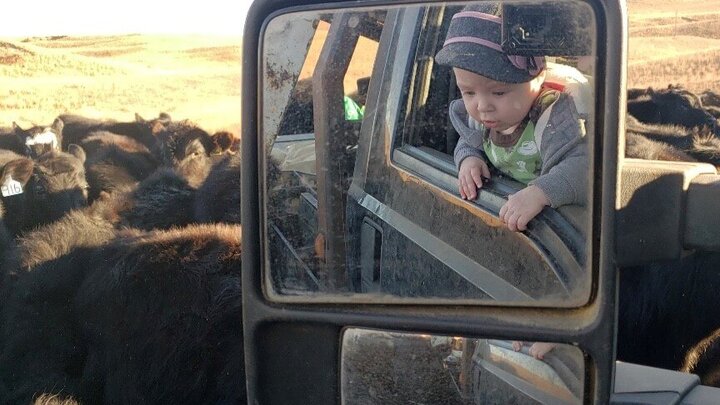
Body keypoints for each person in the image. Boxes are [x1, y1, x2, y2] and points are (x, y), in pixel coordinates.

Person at [435, 3, 588, 234]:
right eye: (468, 92)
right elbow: (469, 140)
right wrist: (468, 159)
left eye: (498, 92)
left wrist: (540, 193)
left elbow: (585, 169)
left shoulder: (552, 120)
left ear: (537, 78)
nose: (482, 106)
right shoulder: (479, 118)